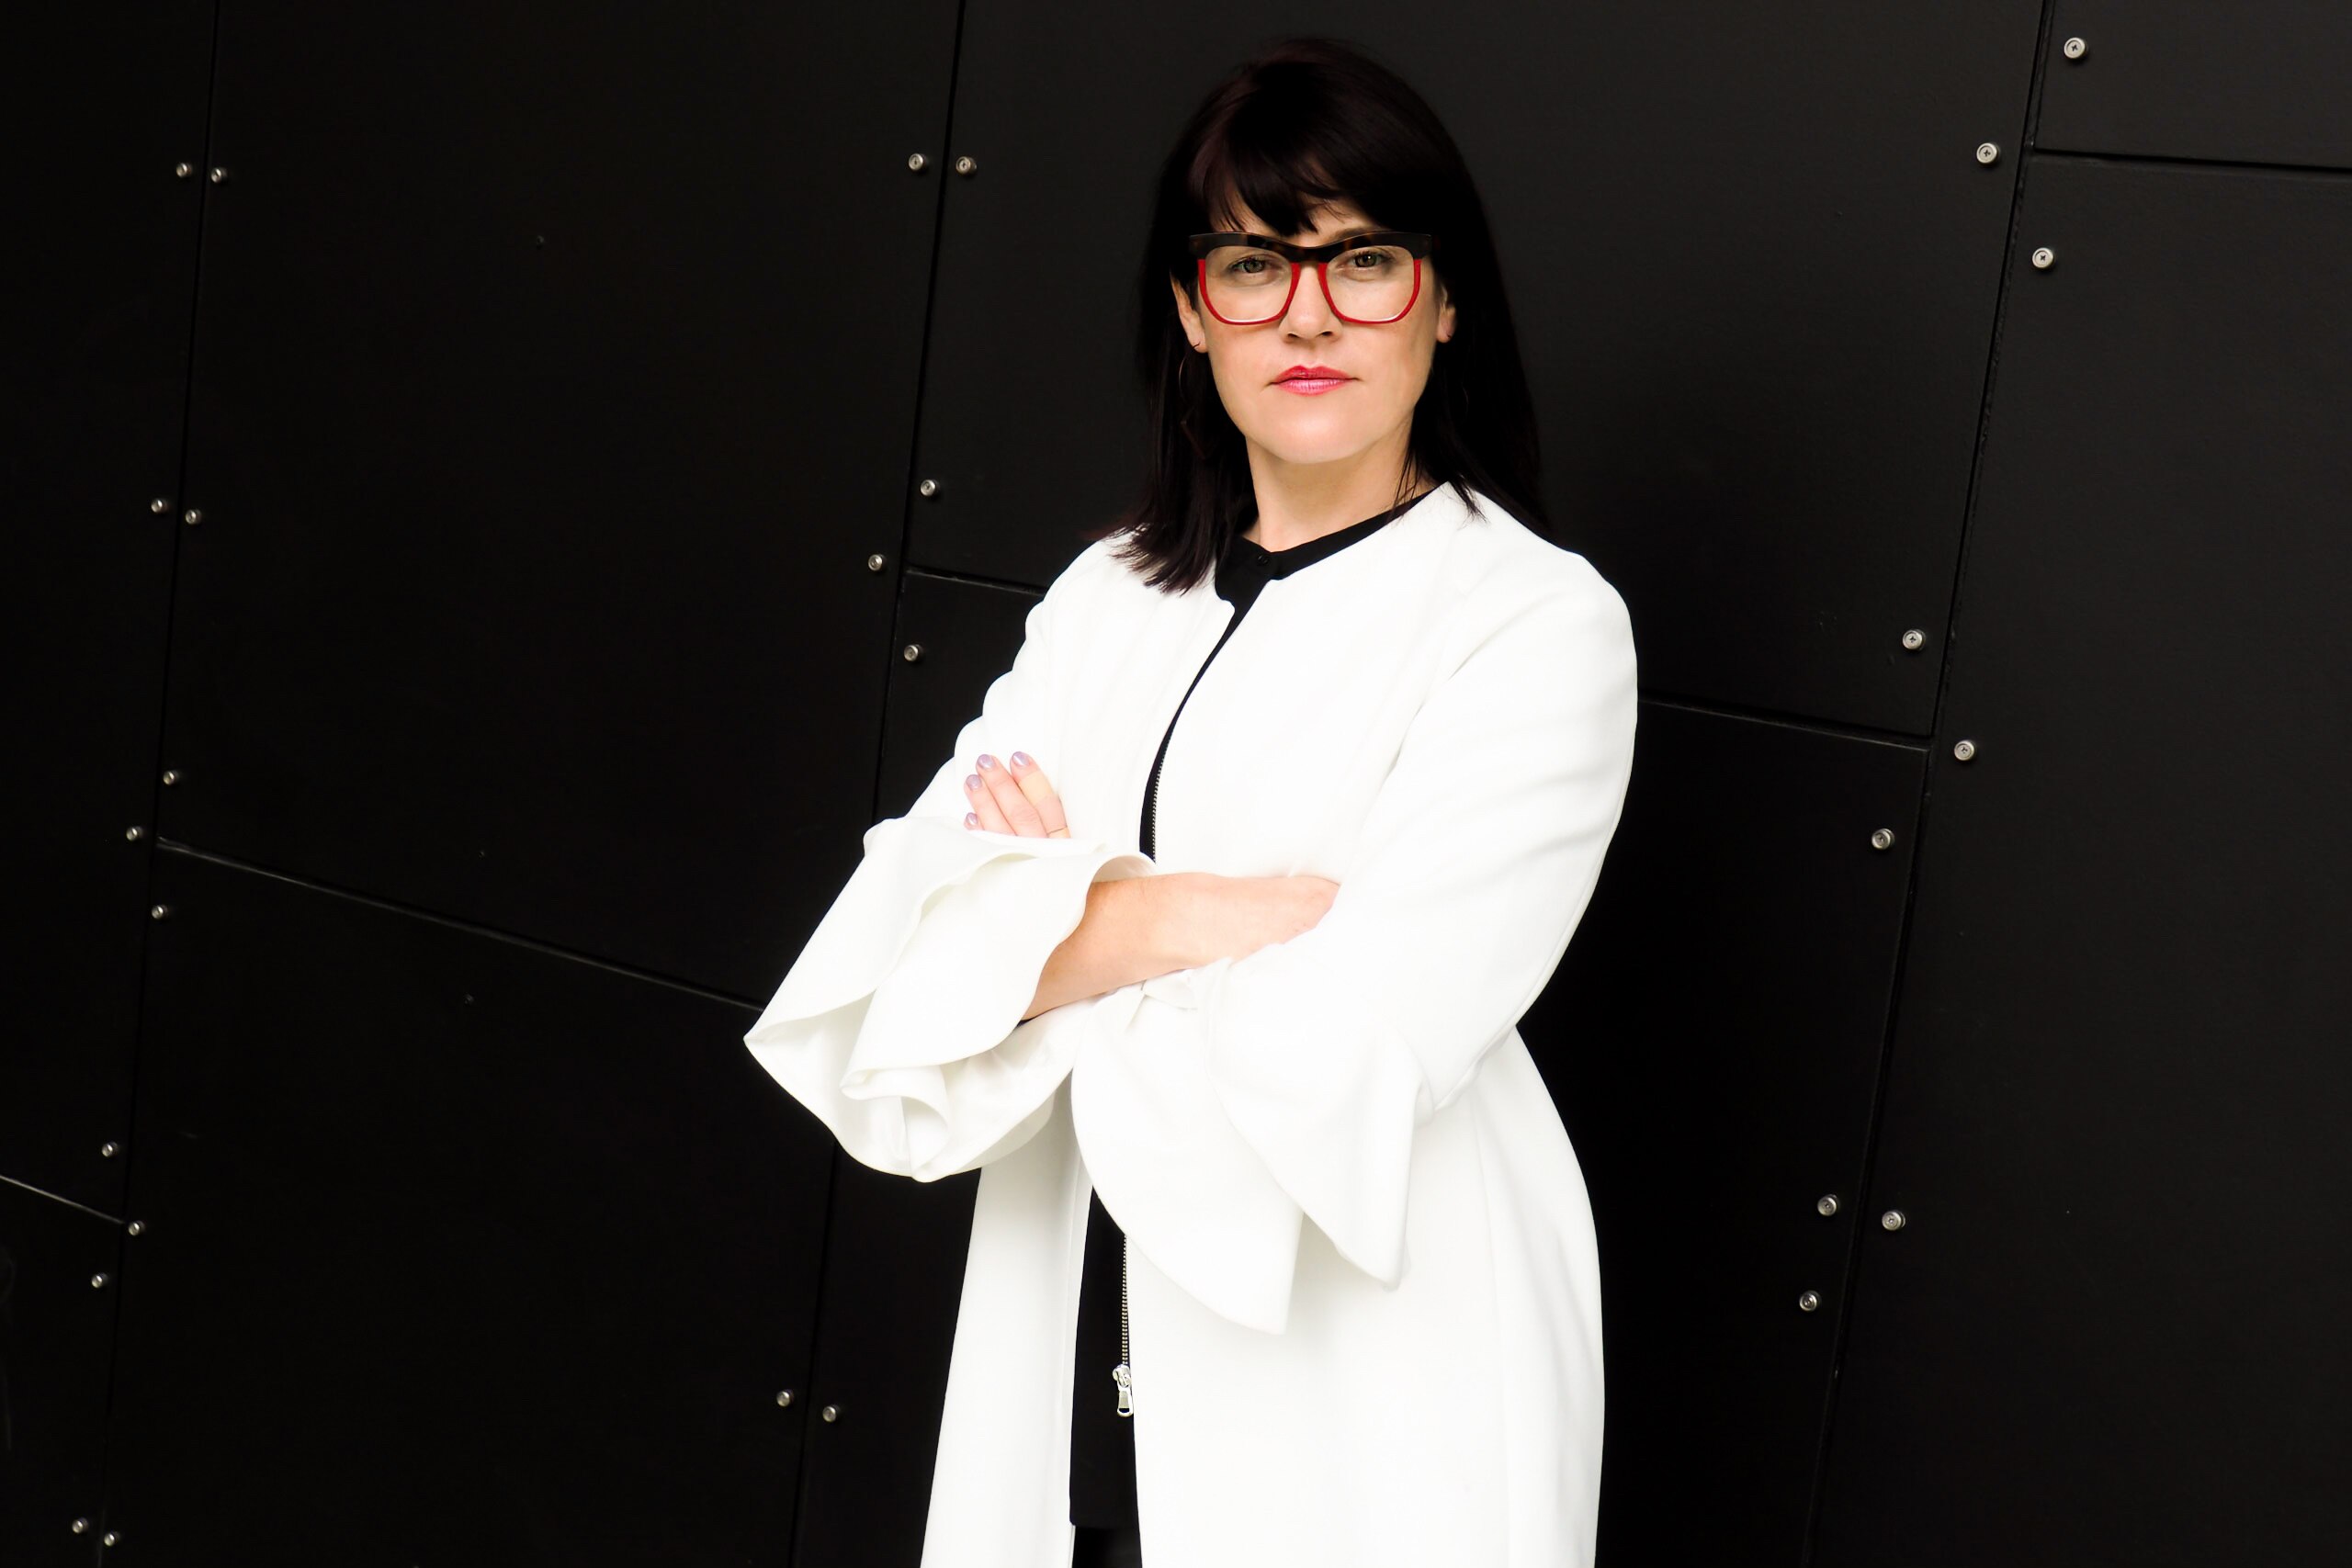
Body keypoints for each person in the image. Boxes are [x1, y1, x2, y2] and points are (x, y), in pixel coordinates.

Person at [744, 35, 1636, 1568]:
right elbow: (893, 973)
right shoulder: (1108, 596)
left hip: (1375, 1362)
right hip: (1069, 1339)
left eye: (1364, 260)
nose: (1308, 314)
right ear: (1190, 307)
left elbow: (1360, 1043)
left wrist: (1045, 935)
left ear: (1445, 300)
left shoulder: (1535, 623)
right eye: (1253, 264)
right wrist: (1204, 918)